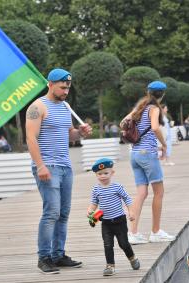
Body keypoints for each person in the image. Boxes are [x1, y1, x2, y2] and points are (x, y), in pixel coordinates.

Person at [25, 68, 92, 274]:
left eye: (68, 88)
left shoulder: (66, 106)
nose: (65, 91)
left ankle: (58, 254)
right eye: (62, 87)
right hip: (48, 166)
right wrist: (40, 165)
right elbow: (31, 138)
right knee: (51, 212)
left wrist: (80, 134)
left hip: (65, 166)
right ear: (50, 84)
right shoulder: (37, 107)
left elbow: (69, 135)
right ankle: (44, 257)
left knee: (63, 213)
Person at [120, 81, 175, 244]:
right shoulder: (154, 108)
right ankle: (156, 231)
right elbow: (155, 128)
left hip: (135, 154)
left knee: (141, 193)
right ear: (163, 94)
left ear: (148, 92)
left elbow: (123, 123)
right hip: (148, 154)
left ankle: (133, 233)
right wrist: (164, 145)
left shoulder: (139, 107)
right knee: (159, 192)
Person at [87, 158, 140, 276]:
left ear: (112, 173)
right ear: (96, 174)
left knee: (123, 243)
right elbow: (94, 203)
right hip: (106, 223)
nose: (103, 176)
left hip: (119, 221)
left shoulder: (117, 187)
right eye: (100, 174)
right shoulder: (96, 189)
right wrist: (90, 211)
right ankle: (110, 266)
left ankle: (132, 258)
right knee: (107, 244)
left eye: (106, 173)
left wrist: (131, 212)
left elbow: (127, 198)